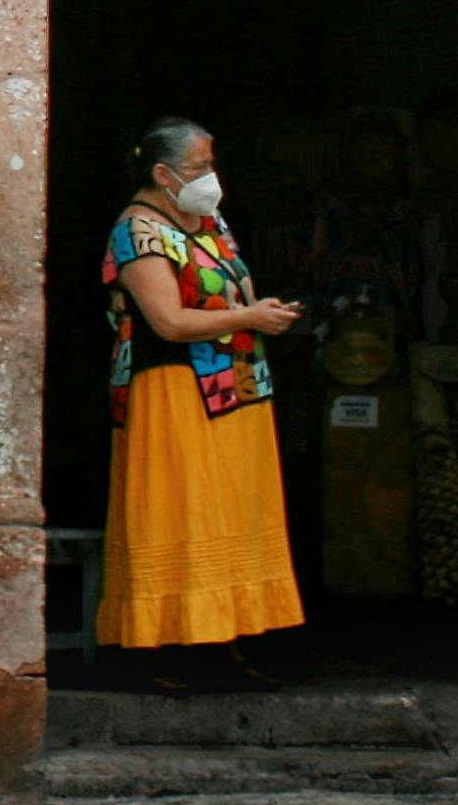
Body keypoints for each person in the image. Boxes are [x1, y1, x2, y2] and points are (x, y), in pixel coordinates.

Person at [99, 118, 307, 685]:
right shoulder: (138, 230)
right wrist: (250, 317)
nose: (209, 178)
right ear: (161, 174)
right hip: (173, 394)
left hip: (232, 388)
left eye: (211, 165)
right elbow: (167, 321)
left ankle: (228, 641)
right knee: (183, 512)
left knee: (234, 510)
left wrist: (257, 310)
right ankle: (169, 647)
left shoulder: (209, 220)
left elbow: (223, 289)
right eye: (197, 169)